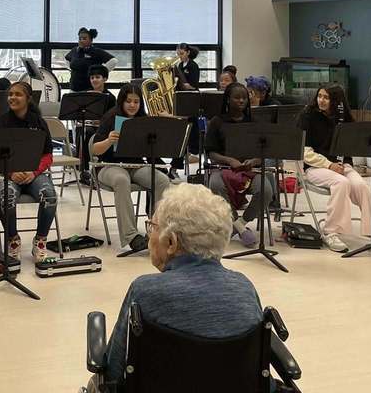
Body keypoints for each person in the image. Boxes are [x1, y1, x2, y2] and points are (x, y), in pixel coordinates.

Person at [84, 183, 263, 392]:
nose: (150, 236)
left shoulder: (145, 291)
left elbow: (114, 370)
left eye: (152, 226)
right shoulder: (244, 287)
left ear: (171, 242)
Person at [298, 85, 371, 254]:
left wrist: (344, 163)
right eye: (319, 96)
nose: (321, 100)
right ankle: (331, 232)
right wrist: (329, 165)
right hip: (315, 167)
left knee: (361, 186)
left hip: (342, 166)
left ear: (336, 101)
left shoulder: (343, 118)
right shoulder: (308, 116)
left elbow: (352, 145)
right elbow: (304, 151)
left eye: (326, 97)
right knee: (341, 183)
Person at [90, 84, 170, 253]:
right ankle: (131, 236)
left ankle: (156, 229)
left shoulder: (144, 119)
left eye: (136, 102)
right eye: (128, 101)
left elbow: (150, 151)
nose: (132, 105)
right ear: (121, 102)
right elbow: (94, 150)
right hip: (108, 166)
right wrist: (108, 141)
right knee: (121, 180)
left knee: (161, 180)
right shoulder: (110, 117)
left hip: (135, 165)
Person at [0, 81, 56, 263]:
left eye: (18, 94)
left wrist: (33, 172)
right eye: (10, 94)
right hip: (7, 174)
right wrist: (10, 173)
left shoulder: (39, 123)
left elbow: (48, 155)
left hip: (34, 174)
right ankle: (13, 240)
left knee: (49, 196)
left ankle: (40, 241)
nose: (12, 98)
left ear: (28, 99)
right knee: (5, 196)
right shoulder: (0, 123)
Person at [204, 83, 275, 248]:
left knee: (266, 190)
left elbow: (264, 151)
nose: (241, 100)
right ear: (228, 100)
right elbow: (211, 153)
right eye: (237, 97)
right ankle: (237, 223)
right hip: (224, 167)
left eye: (244, 97)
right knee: (214, 185)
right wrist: (229, 160)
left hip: (250, 170)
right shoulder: (217, 122)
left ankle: (239, 224)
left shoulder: (254, 122)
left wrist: (255, 161)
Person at [66, 28, 114, 93]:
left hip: (89, 90)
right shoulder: (75, 50)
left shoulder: (96, 51)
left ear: (91, 40)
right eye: (80, 39)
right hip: (73, 89)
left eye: (84, 38)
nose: (81, 40)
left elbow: (113, 61)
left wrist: (102, 72)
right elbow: (67, 59)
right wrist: (71, 69)